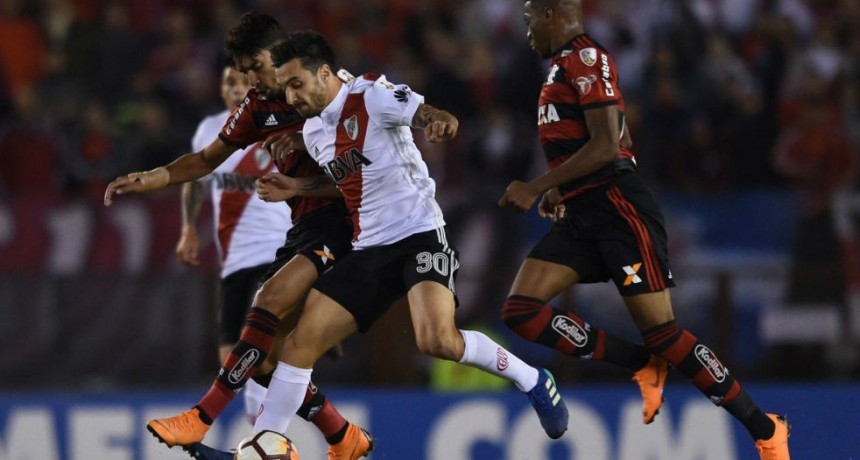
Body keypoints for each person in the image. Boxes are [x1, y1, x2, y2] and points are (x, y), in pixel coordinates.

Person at [237, 29, 569, 449]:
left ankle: (533, 378)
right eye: (284, 89)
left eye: (296, 85)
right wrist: (296, 187)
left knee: (437, 340)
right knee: (301, 343)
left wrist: (439, 121)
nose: (290, 98)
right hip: (368, 249)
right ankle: (265, 444)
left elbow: (424, 111)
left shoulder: (372, 94)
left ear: (323, 73)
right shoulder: (313, 132)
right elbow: (345, 181)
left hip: (418, 235)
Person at [497, 1, 791, 459]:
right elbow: (624, 135)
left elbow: (609, 145)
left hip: (618, 212)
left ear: (553, 14)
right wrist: (563, 186)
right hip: (582, 212)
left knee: (665, 334)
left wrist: (538, 185)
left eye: (529, 20)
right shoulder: (564, 68)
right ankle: (641, 365)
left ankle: (765, 427)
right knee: (521, 311)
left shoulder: (585, 59)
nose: (527, 31)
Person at [102, 11, 373, 460]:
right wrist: (149, 177)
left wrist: (307, 150)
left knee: (266, 304)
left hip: (353, 223)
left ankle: (201, 418)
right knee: (264, 361)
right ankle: (342, 436)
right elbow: (205, 160)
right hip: (305, 224)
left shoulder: (328, 90)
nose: (249, 79)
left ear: (278, 54)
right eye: (241, 72)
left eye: (254, 67)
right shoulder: (257, 107)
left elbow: (366, 160)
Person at [178, 64, 291, 426]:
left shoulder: (280, 124)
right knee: (231, 358)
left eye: (244, 82)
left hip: (276, 251)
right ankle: (290, 414)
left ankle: (262, 433)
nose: (237, 89)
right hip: (234, 261)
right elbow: (194, 180)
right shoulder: (211, 132)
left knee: (252, 348)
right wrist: (189, 229)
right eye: (230, 82)